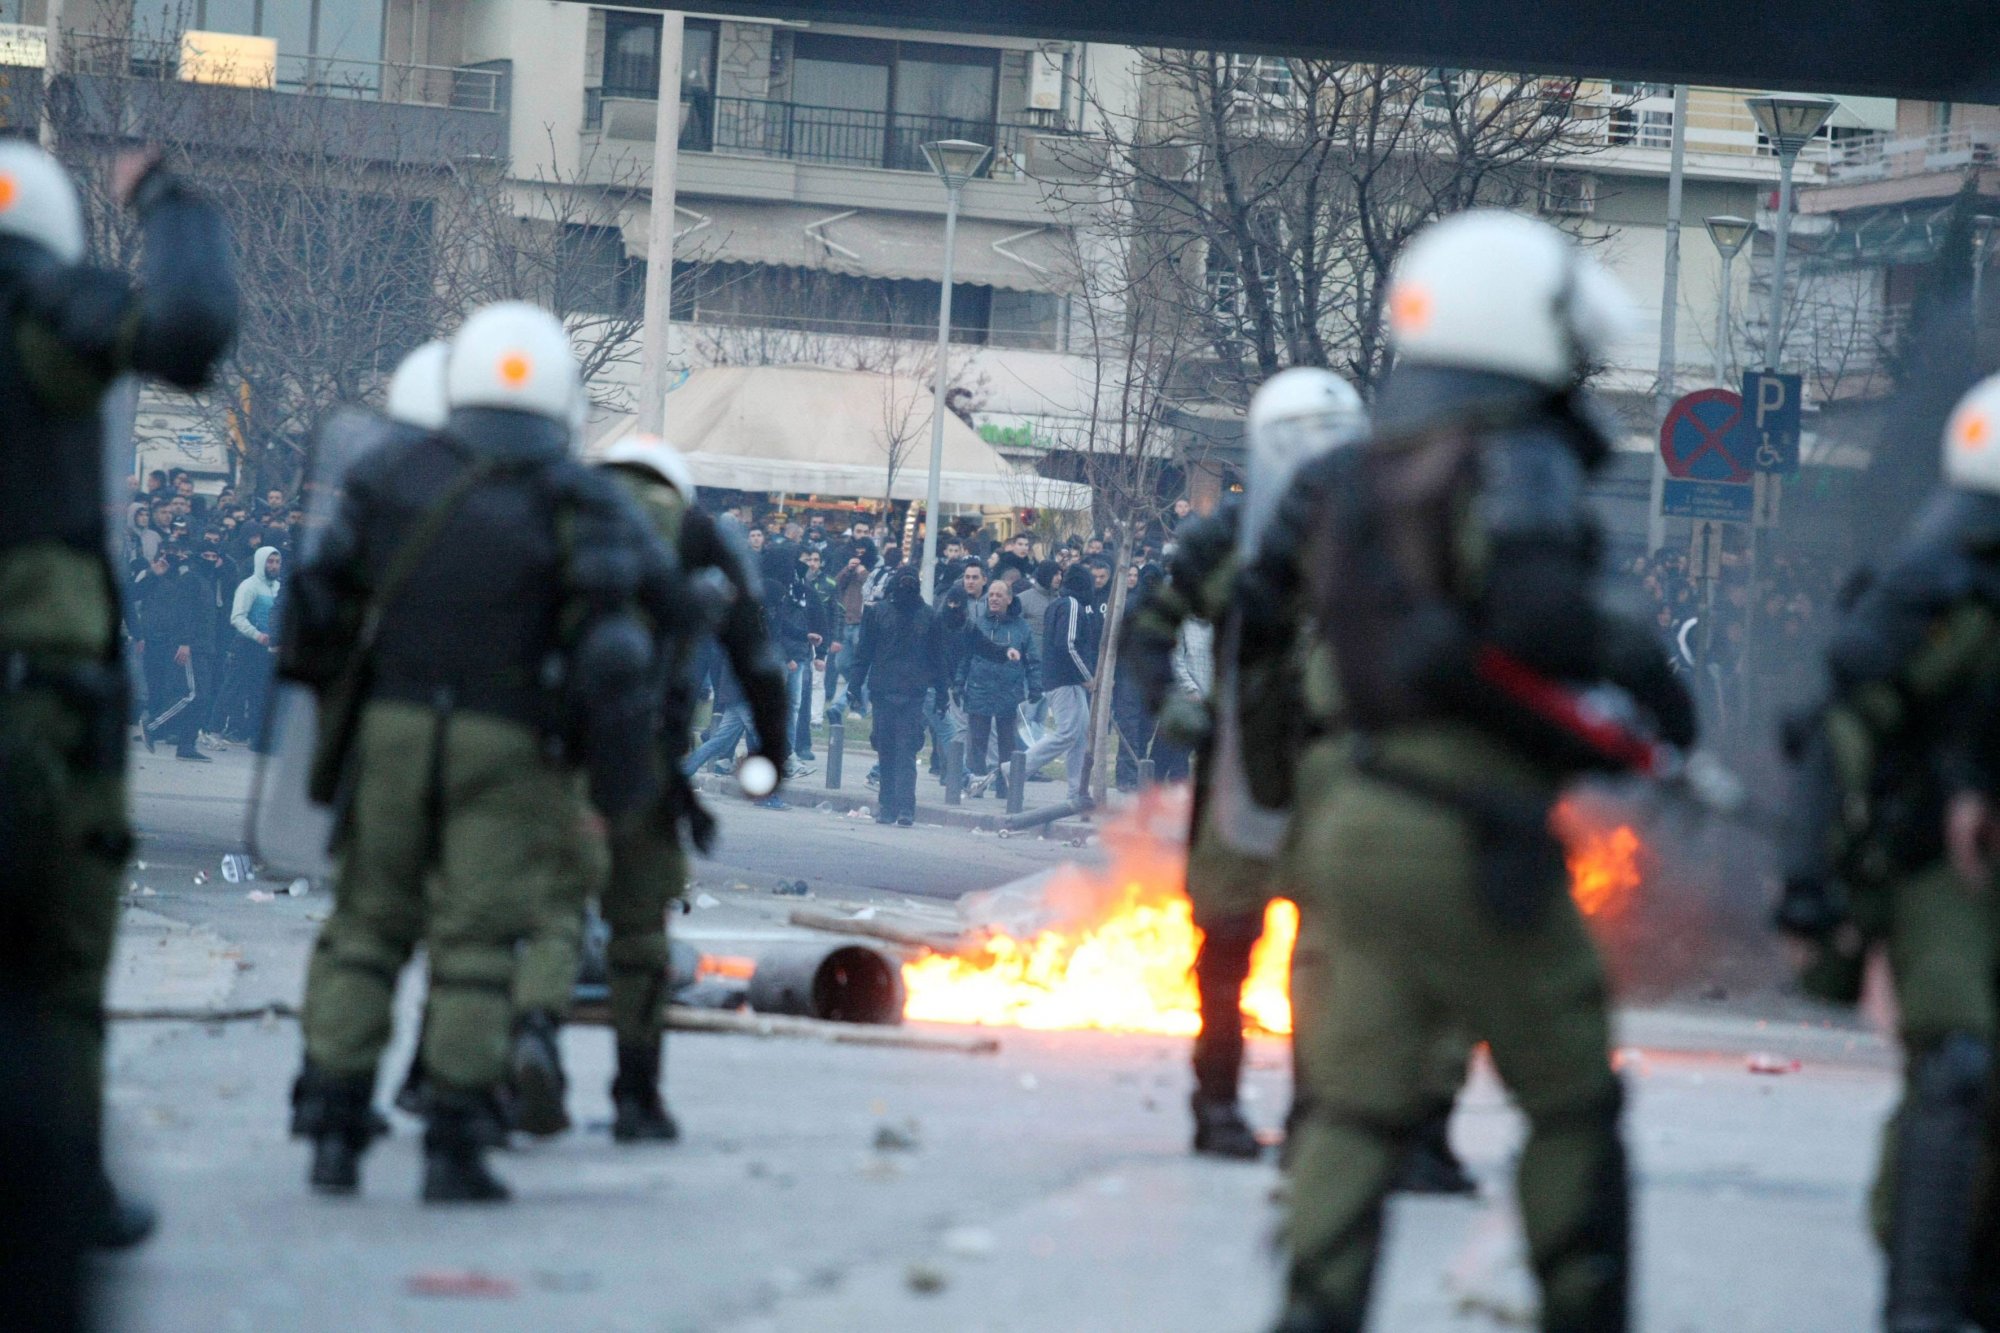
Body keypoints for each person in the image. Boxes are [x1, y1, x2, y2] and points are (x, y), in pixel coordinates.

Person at [1263, 212, 1693, 1332]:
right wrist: (1631, 678)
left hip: (1353, 817)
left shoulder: (1362, 470)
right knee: (1571, 1098)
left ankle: (1311, 1314)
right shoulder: (1515, 455)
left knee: (1354, 1107)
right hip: (1464, 823)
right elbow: (1540, 625)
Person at [282, 302, 685, 1203]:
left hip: (391, 729)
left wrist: (337, 705)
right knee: (476, 938)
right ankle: (456, 1139)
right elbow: (619, 647)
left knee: (367, 923)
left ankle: (333, 1121)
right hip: (508, 741)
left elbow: (317, 604)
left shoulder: (388, 473)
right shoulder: (577, 497)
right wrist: (617, 781)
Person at [0, 141, 238, 1247]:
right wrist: (168, 200)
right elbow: (189, 329)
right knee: (56, 955)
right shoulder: (46, 311)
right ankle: (66, 1183)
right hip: (37, 700)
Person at [1779, 373, 2000, 1332]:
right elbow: (1840, 730)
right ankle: (1919, 1301)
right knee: (1956, 1061)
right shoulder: (1934, 594)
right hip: (1944, 868)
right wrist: (1808, 880)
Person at [583, 433, 787, 1140]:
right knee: (641, 931)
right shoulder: (695, 531)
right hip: (642, 756)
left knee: (527, 917)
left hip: (546, 751)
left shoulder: (557, 508)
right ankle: (637, 1095)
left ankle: (506, 1066)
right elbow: (756, 651)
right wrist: (772, 752)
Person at [847, 566, 949, 826]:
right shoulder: (879, 613)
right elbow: (864, 653)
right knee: (888, 749)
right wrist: (854, 686)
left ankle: (902, 807)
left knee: (903, 750)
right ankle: (890, 806)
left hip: (910, 693)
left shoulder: (928, 616)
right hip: (885, 691)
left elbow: (938, 658)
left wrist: (942, 692)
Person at [1018, 560, 1106, 808]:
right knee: (1067, 733)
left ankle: (1076, 790)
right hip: (1066, 680)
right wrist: (1086, 675)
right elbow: (1068, 645)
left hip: (1062, 679)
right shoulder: (1072, 605)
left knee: (1080, 735)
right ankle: (1017, 768)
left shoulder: (1057, 604)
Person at [961, 579, 1039, 801]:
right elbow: (965, 656)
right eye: (991, 595)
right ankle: (976, 784)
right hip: (979, 688)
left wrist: (1035, 686)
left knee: (1008, 743)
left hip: (1009, 690)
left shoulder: (1021, 627)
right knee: (977, 742)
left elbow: (1032, 659)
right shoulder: (977, 624)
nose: (994, 599)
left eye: (999, 595)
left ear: (1009, 599)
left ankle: (1005, 787)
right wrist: (958, 683)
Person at [223, 546, 282, 748]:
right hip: (247, 646)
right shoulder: (249, 586)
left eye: (277, 562)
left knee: (262, 694)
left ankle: (257, 737)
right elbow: (237, 617)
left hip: (270, 649)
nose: (274, 566)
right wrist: (257, 635)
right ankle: (222, 728)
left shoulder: (278, 588)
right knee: (236, 690)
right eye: (270, 561)